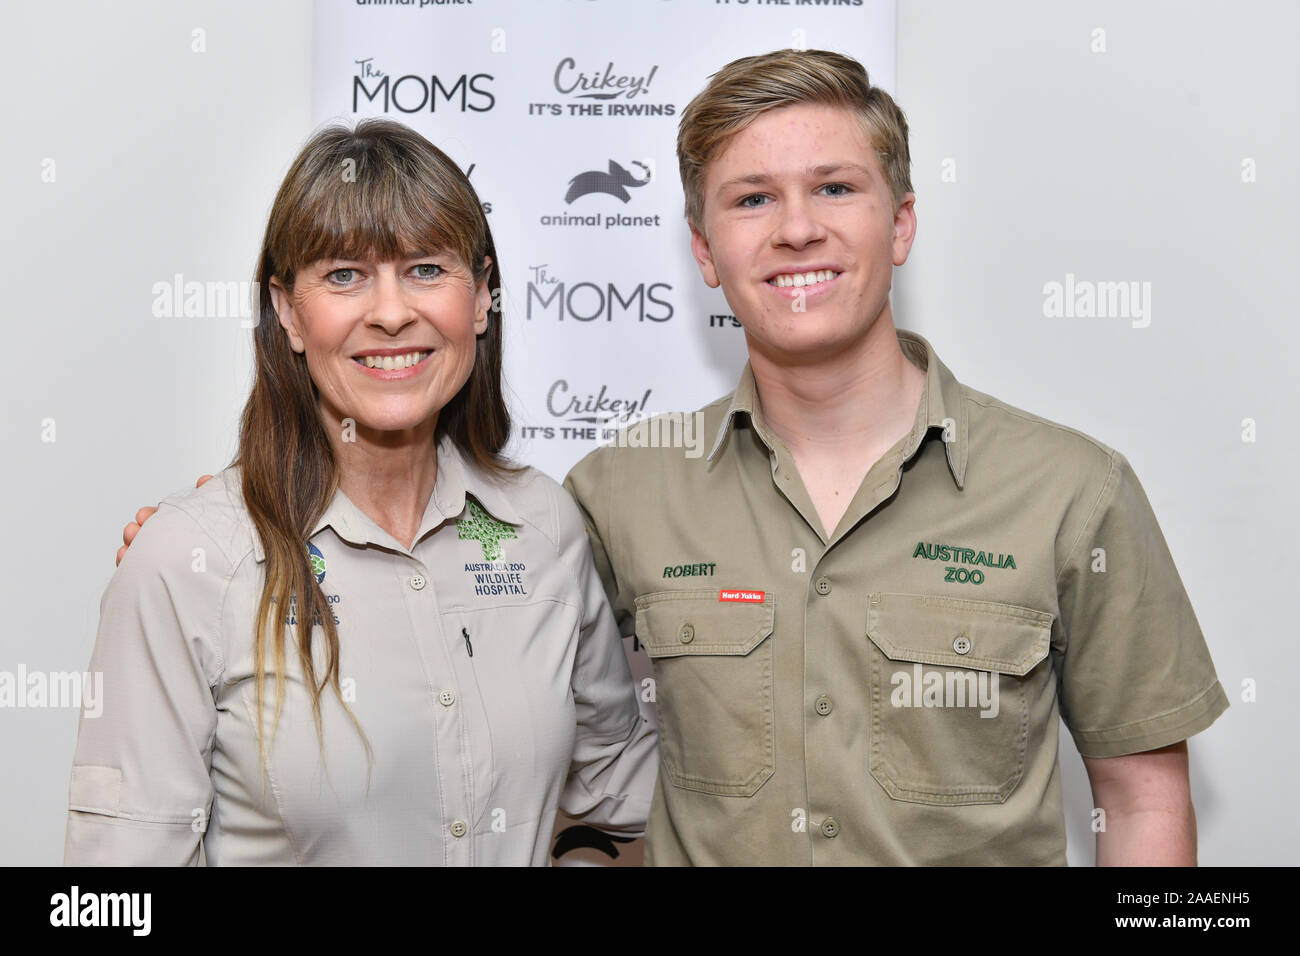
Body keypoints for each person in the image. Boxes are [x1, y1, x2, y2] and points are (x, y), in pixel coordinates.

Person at [119, 50, 1230, 867]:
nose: (796, 231)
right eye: (752, 200)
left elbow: (1140, 807)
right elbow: (443, 605)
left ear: (901, 222)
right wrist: (206, 548)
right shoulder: (606, 501)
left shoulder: (1073, 491)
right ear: (704, 249)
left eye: (835, 189)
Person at [70, 118, 656, 866]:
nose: (390, 312)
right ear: (286, 311)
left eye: (426, 269)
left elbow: (618, 789)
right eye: (344, 274)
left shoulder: (541, 523)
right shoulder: (186, 561)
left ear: (481, 299)